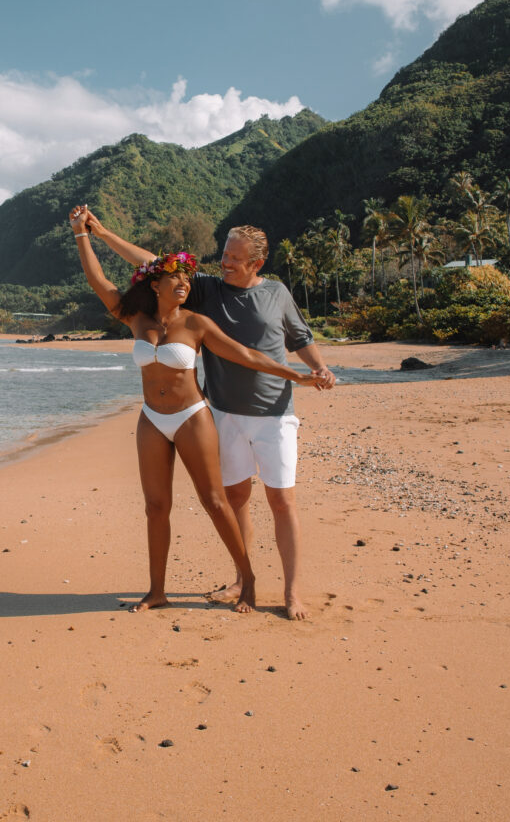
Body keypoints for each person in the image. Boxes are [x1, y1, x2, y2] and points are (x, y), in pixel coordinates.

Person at [77, 206, 335, 620]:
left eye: (234, 258)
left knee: (248, 501)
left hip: (234, 412)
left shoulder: (228, 310)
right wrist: (92, 234)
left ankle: (269, 586)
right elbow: (124, 273)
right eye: (224, 254)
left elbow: (263, 349)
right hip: (188, 415)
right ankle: (192, 585)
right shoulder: (167, 306)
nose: (223, 263)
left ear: (256, 263)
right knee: (191, 503)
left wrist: (305, 373)